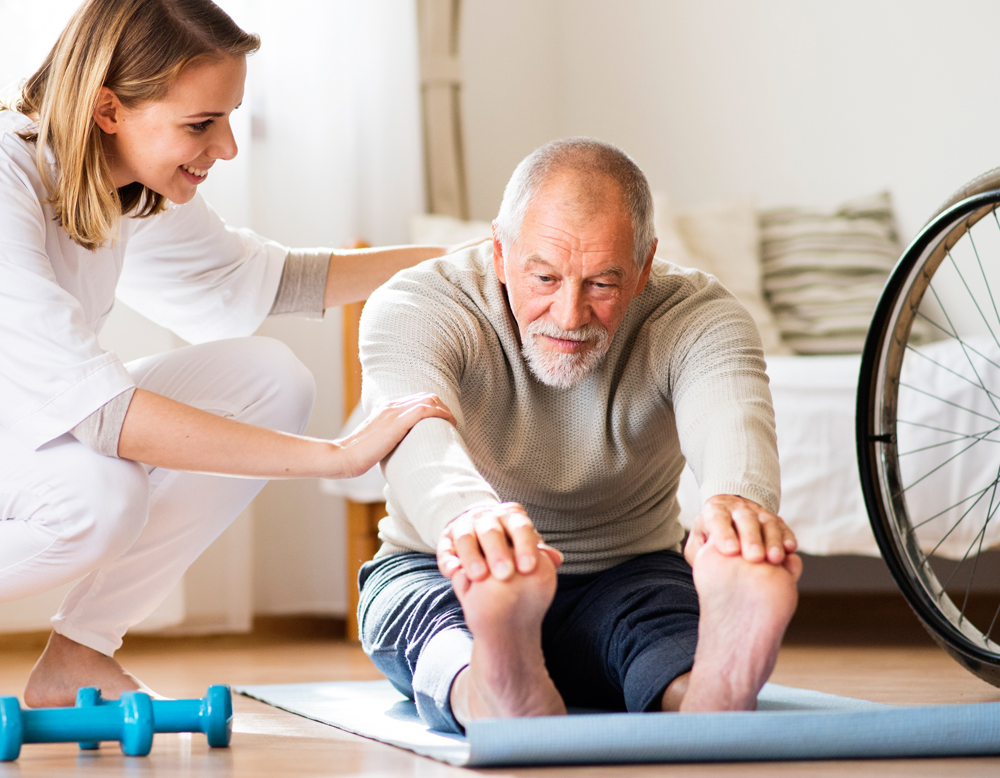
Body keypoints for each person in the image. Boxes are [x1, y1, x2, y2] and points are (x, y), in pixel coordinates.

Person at [0, 0, 455, 708]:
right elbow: (98, 414)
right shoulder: (6, 176)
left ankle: (79, 658)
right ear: (108, 108)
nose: (228, 148)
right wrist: (337, 454)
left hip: (18, 434)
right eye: (200, 125)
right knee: (99, 501)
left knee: (267, 376)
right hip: (31, 432)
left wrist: (461, 262)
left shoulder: (123, 184)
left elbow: (264, 279)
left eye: (230, 117)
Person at [356, 137, 803, 733]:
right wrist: (473, 526)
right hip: (447, 568)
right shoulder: (416, 305)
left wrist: (734, 512)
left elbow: (731, 416)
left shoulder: (699, 315)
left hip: (629, 573)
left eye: (602, 284)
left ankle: (709, 694)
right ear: (499, 251)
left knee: (660, 628)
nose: (569, 316)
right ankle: (489, 685)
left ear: (644, 264)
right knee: (434, 628)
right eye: (544, 277)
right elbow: (419, 442)